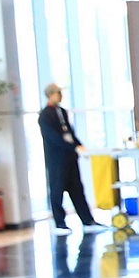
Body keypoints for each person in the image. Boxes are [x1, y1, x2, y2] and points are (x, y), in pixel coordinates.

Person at [36, 84, 100, 232]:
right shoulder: (45, 116)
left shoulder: (62, 112)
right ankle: (60, 223)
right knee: (57, 189)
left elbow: (70, 133)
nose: (60, 95)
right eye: (58, 93)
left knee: (77, 189)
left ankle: (87, 220)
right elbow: (54, 137)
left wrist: (79, 146)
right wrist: (72, 147)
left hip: (70, 158)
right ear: (50, 95)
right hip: (56, 160)